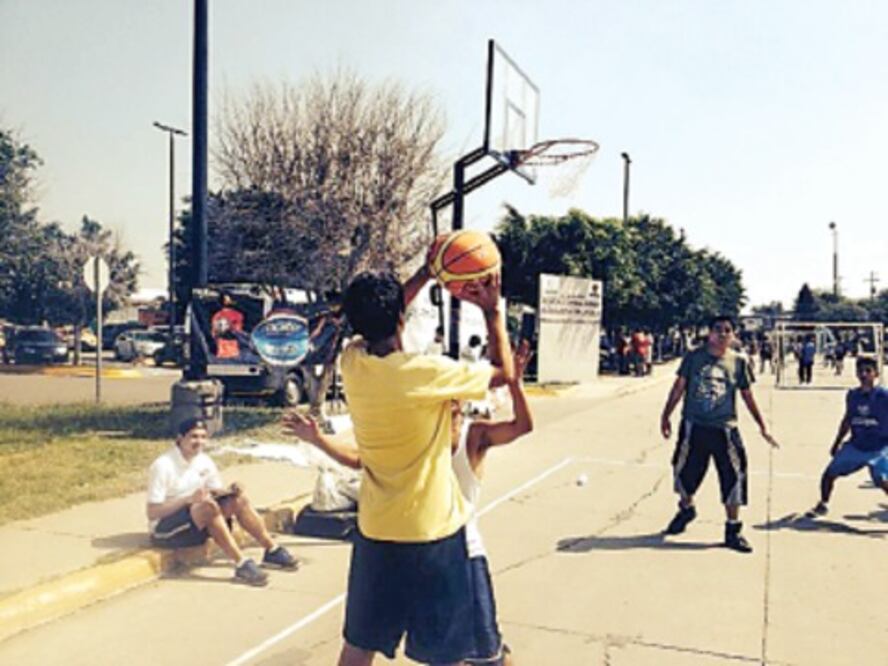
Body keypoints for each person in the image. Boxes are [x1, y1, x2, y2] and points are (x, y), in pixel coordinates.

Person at [283, 341, 534, 666]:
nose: (452, 418)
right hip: (409, 545)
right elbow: (361, 459)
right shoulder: (418, 436)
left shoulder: (474, 437)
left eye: (456, 411)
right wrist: (318, 440)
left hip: (462, 553)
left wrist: (514, 383)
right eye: (447, 411)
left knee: (487, 655)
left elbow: (522, 426)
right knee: (391, 646)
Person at [323, 262, 514, 665]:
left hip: (376, 530)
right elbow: (504, 373)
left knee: (360, 644)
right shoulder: (426, 373)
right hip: (432, 534)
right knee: (444, 653)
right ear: (400, 317)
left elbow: (378, 321)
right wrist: (493, 312)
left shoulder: (353, 364)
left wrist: (425, 275)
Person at [659, 315, 779, 553]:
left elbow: (747, 395)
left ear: (733, 335)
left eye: (727, 330)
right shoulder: (694, 358)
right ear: (709, 333)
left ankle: (733, 529)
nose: (722, 334)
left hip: (725, 428)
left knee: (733, 476)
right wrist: (666, 415)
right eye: (718, 330)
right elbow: (679, 387)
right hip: (694, 426)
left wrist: (762, 425)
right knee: (683, 473)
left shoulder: (738, 362)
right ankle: (687, 508)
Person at [146, 418, 298, 586]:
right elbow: (153, 512)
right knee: (208, 507)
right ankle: (241, 563)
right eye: (193, 437)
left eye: (203, 437)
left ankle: (272, 550)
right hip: (166, 530)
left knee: (239, 500)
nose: (199, 442)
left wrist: (231, 491)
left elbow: (215, 491)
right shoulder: (163, 465)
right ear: (180, 438)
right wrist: (187, 500)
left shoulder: (203, 460)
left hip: (197, 522)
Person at [808, 356, 888, 516]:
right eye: (860, 371)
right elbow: (848, 419)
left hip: (879, 447)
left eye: (868, 371)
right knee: (829, 474)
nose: (864, 375)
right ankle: (823, 504)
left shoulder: (883, 396)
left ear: (876, 374)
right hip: (856, 445)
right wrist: (837, 442)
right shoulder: (853, 395)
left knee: (882, 480)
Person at [211, 293, 246, 359]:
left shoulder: (217, 315)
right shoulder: (238, 315)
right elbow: (239, 332)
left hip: (222, 351)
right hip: (233, 351)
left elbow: (214, 334)